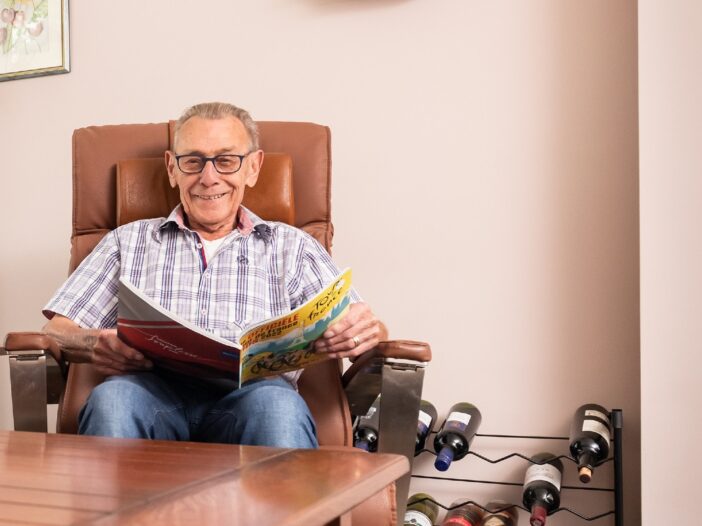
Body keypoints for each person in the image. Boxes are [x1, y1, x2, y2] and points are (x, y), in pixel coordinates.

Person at [42, 102, 383, 449]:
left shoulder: (293, 246)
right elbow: (57, 331)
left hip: (256, 395)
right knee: (112, 402)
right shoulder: (126, 241)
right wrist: (92, 343)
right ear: (172, 169)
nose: (209, 178)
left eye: (226, 160)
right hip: (148, 391)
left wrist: (359, 331)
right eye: (193, 161)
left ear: (253, 167)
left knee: (278, 409)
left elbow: (365, 326)